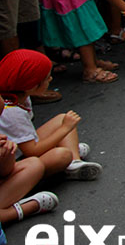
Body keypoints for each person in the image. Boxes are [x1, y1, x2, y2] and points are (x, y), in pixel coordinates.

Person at [0, 50, 101, 180]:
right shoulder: (13, 112)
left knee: (62, 119)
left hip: (21, 149)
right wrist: (65, 129)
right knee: (62, 155)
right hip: (15, 161)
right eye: (47, 78)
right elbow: (32, 150)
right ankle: (67, 158)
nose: (51, 79)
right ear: (31, 85)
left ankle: (75, 162)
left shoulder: (20, 97)